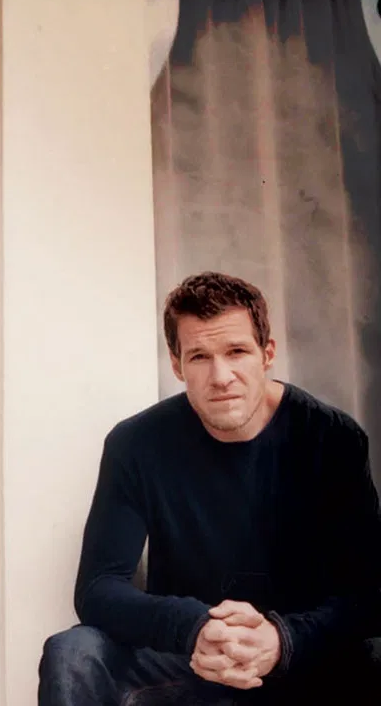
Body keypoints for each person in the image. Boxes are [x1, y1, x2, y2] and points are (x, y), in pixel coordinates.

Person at [38, 271, 381, 705]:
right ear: (177, 364)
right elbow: (97, 587)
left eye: (237, 351)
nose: (221, 376)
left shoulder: (331, 438)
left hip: (301, 659)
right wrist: (195, 626)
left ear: (267, 353)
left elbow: (368, 593)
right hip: (191, 660)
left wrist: (282, 639)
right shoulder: (136, 444)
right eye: (200, 356)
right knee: (73, 652)